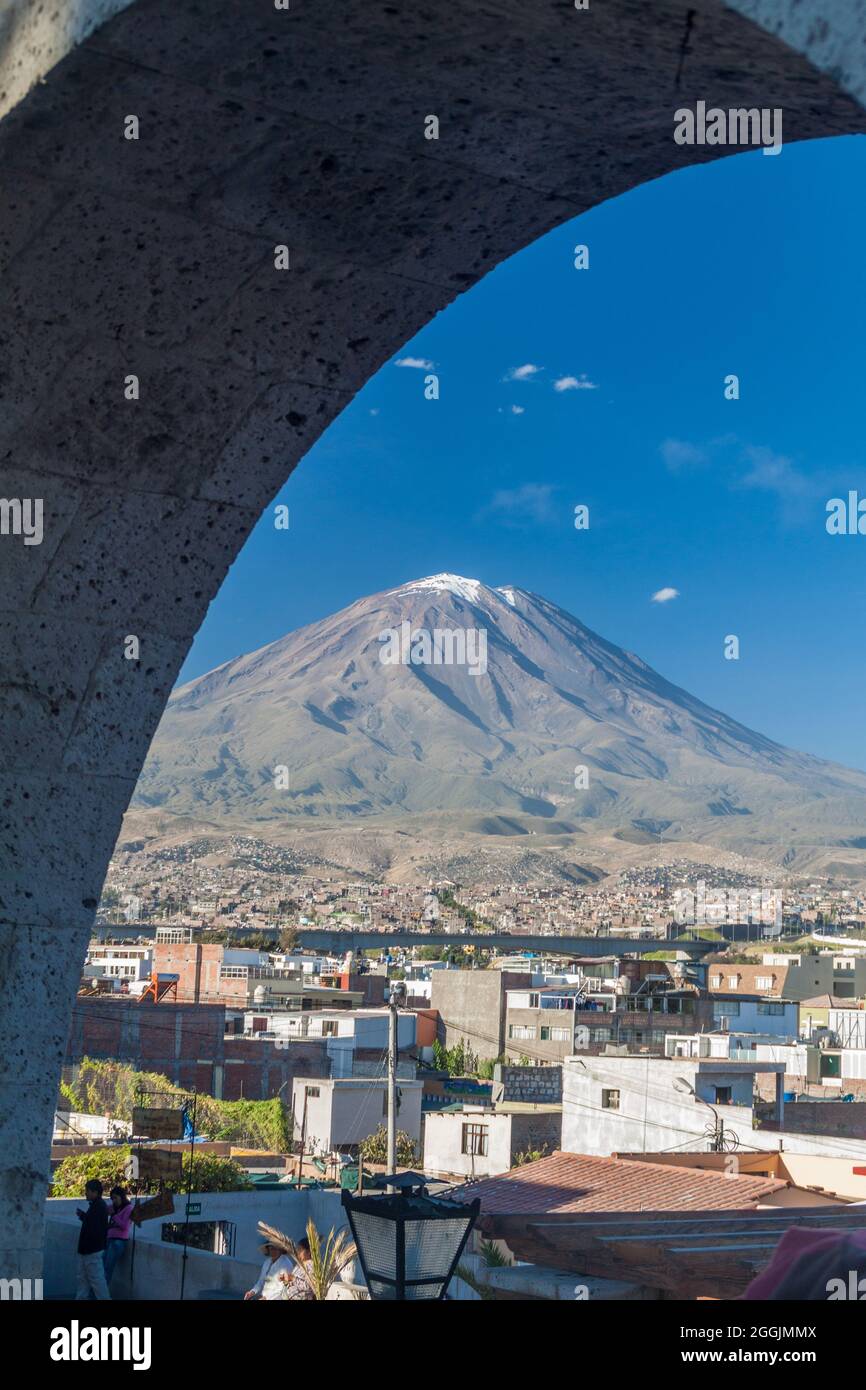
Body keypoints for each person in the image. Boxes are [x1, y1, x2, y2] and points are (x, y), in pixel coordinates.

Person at [75, 1179, 111, 1301]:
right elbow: (94, 1225)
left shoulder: (99, 1207)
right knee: (84, 1281)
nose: (86, 1193)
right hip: (88, 1251)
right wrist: (84, 1216)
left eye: (88, 1191)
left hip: (92, 1251)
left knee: (97, 1281)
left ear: (95, 1192)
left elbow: (96, 1229)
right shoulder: (97, 1206)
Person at [245, 1226, 296, 1301]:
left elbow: (283, 1289)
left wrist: (267, 1298)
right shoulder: (267, 1262)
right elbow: (261, 1280)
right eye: (271, 1248)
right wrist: (252, 1292)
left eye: (275, 1248)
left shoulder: (286, 1264)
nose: (273, 1251)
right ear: (268, 1249)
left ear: (280, 1249)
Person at [103, 1186, 133, 1287]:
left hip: (118, 1241)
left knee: (107, 1268)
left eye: (116, 1198)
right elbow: (104, 1211)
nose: (114, 1200)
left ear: (121, 1197)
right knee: (101, 1267)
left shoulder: (128, 1208)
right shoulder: (114, 1207)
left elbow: (124, 1226)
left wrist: (114, 1215)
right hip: (109, 1239)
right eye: (112, 1198)